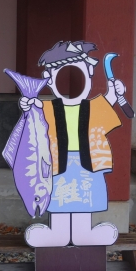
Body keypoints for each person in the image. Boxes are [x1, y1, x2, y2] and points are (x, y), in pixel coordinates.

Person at [20, 41, 125, 247]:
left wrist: (116, 91)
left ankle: (83, 234)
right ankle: (57, 234)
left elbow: (108, 101)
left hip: (89, 163)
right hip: (58, 163)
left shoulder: (93, 107)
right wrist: (27, 104)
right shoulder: (47, 107)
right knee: (58, 199)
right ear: (49, 78)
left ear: (89, 74)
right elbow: (32, 110)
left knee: (84, 201)